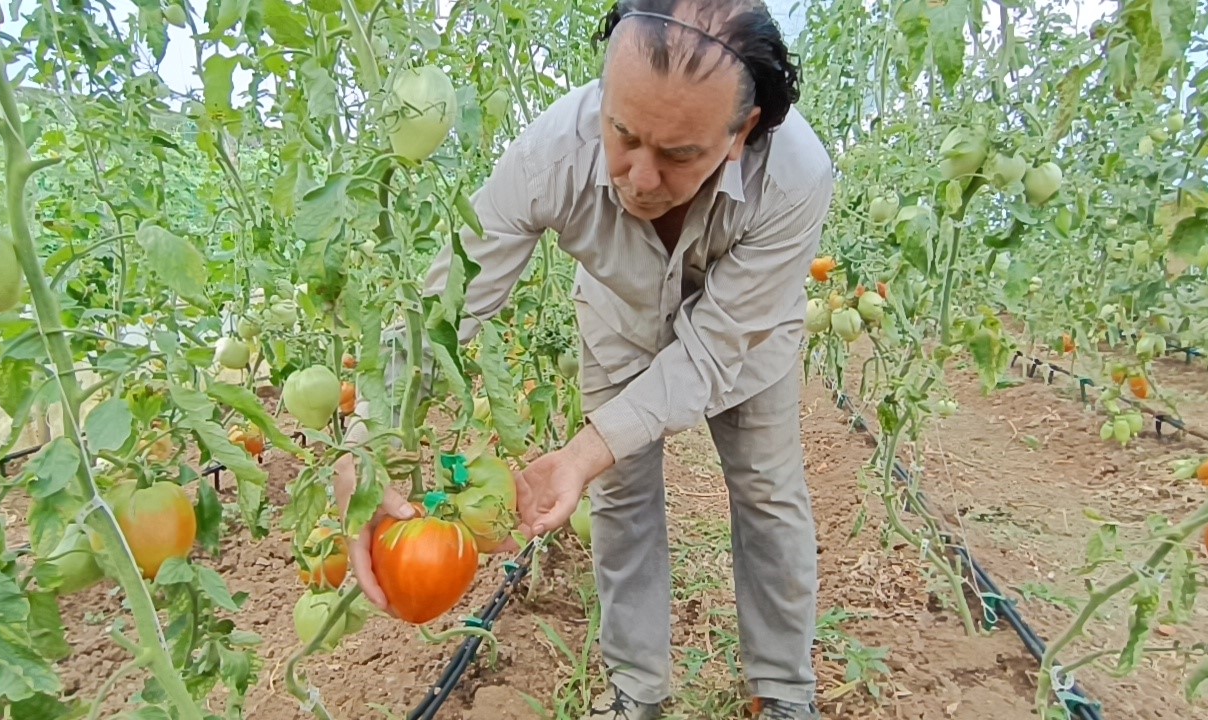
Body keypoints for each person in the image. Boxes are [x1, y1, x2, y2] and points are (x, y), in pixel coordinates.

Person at [332, 1, 834, 718]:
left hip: (747, 342)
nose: (639, 176)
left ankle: (785, 694)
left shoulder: (795, 177)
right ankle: (638, 694)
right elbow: (447, 303)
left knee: (767, 492)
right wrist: (369, 431)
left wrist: (585, 447)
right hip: (619, 322)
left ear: (740, 133)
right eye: (622, 133)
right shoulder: (551, 153)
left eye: (679, 154)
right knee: (622, 497)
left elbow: (715, 349)